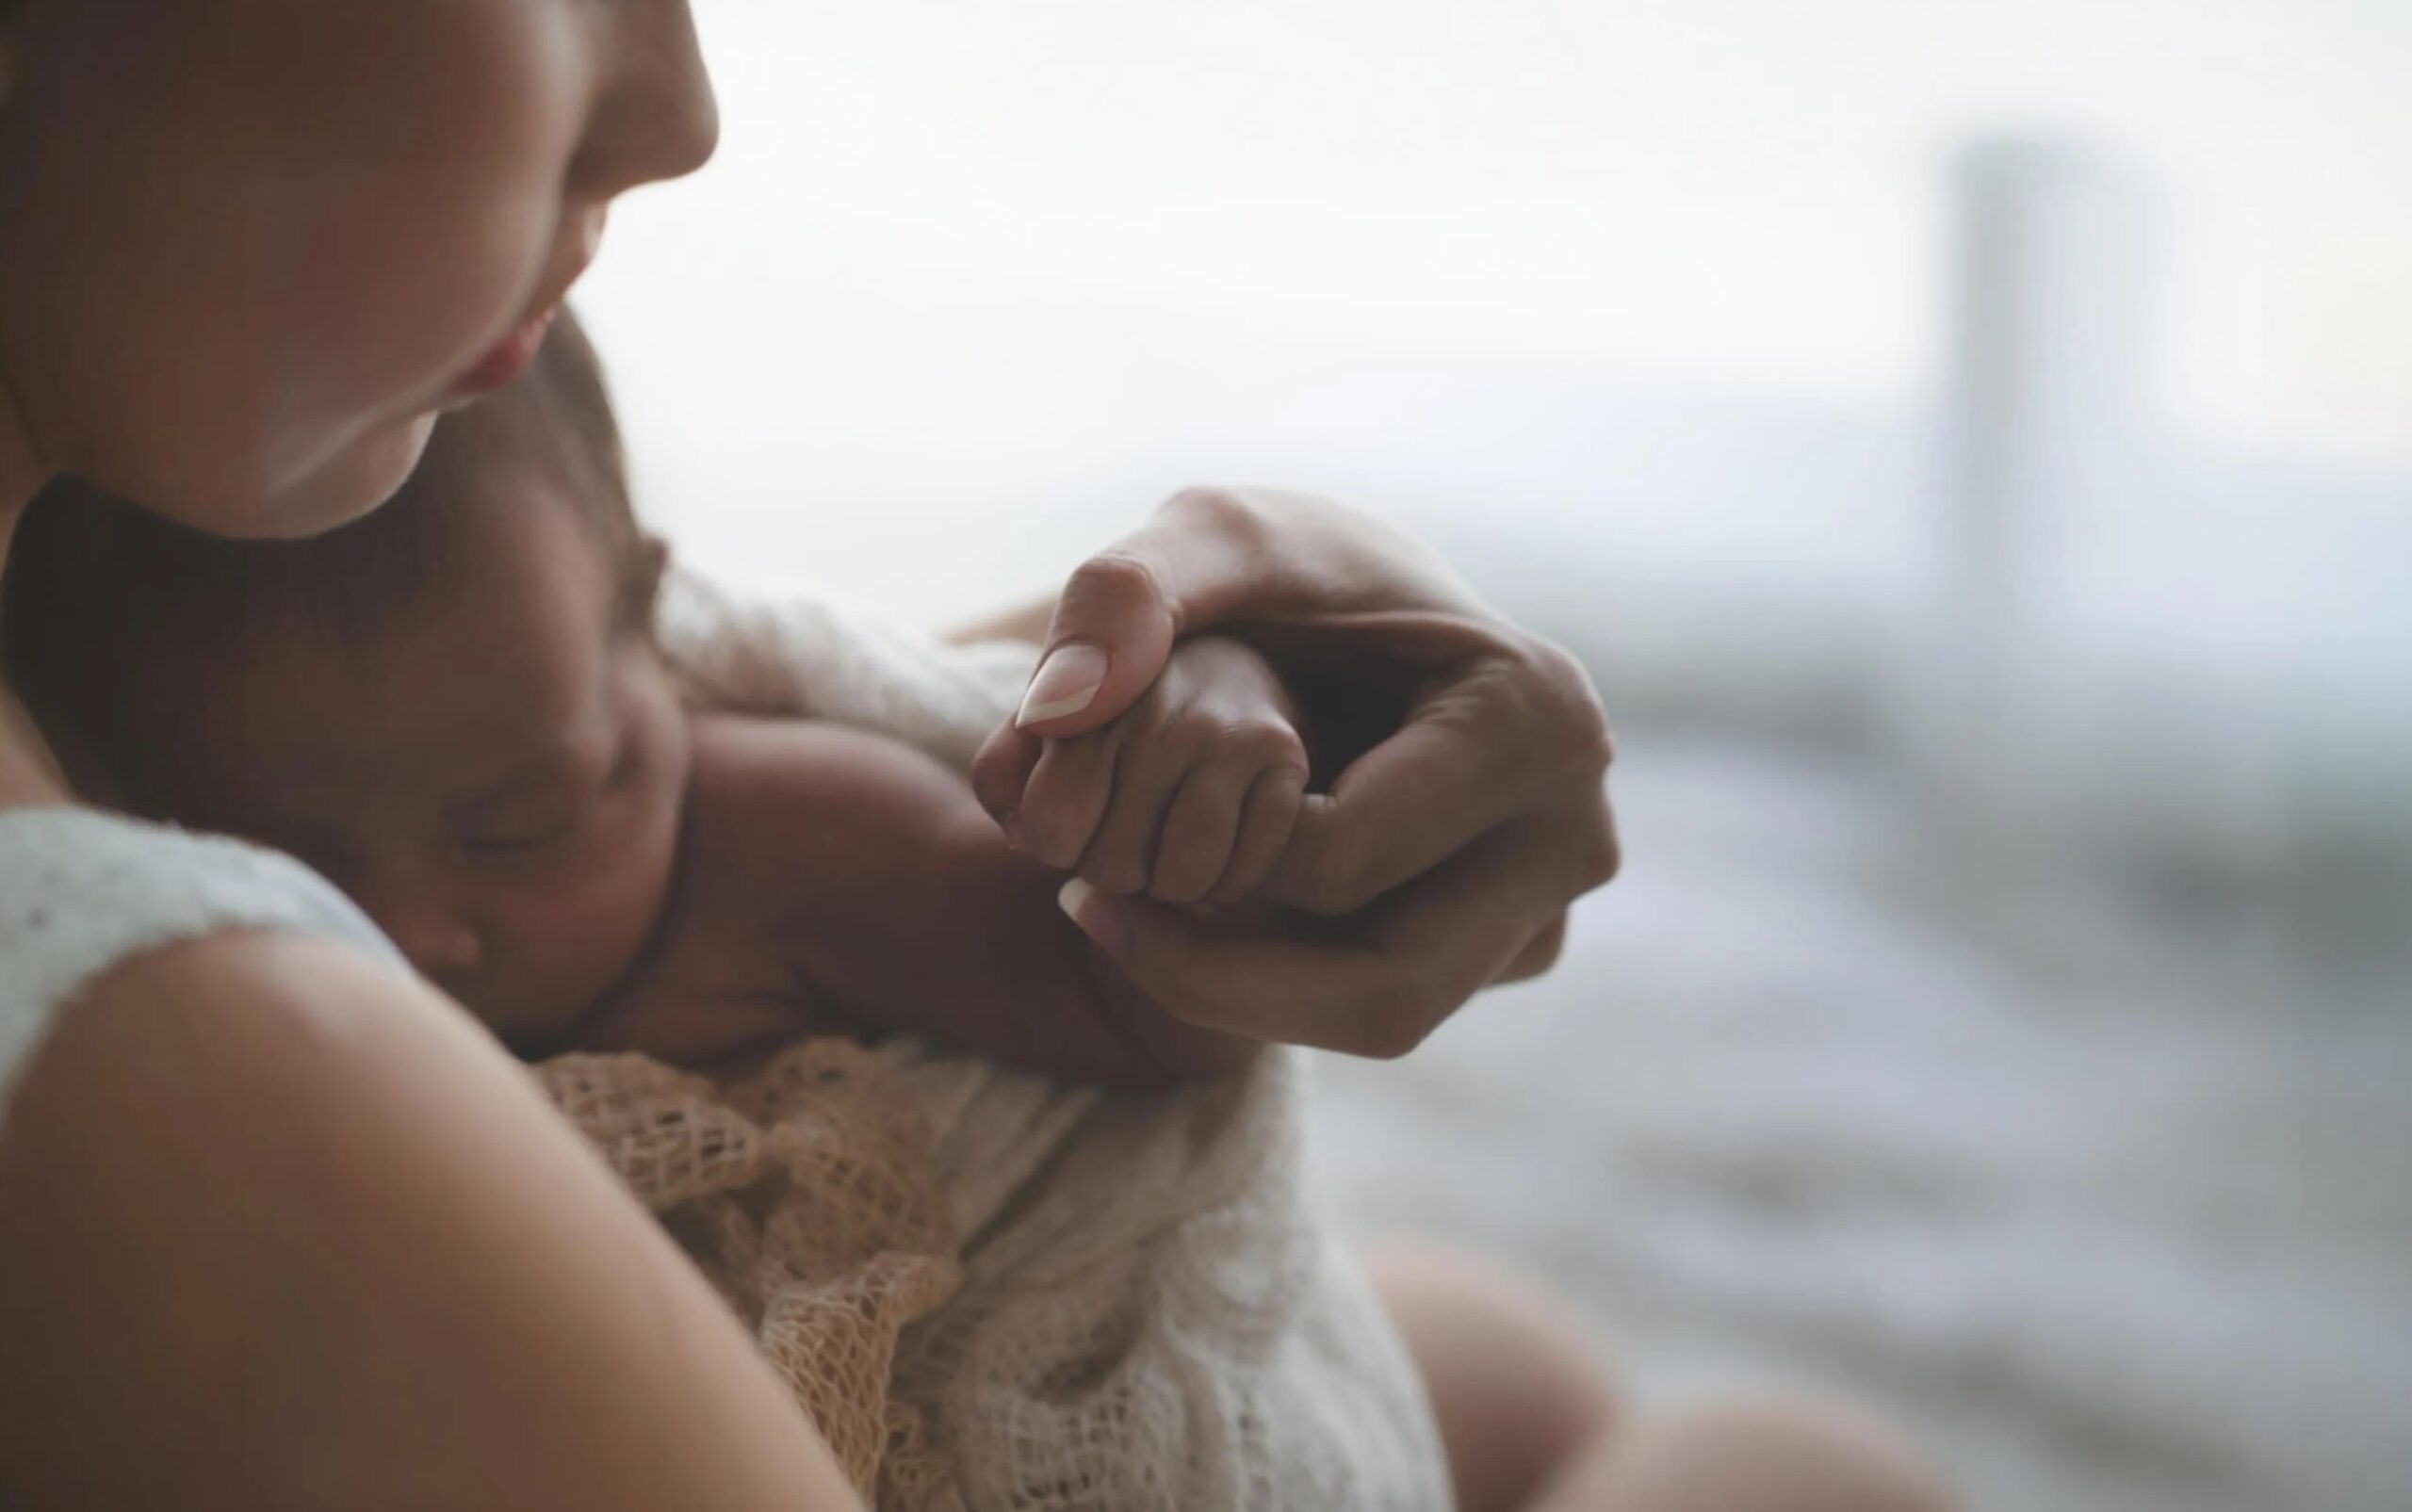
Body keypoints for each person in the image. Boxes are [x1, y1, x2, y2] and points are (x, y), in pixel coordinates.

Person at [0, 3, 1948, 1508]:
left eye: (530, 805)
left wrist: (1175, 773)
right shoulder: (210, 1058)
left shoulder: (135, 620)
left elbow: (1035, 915)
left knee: (1491, 1345)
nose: (683, 109)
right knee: (1792, 1461)